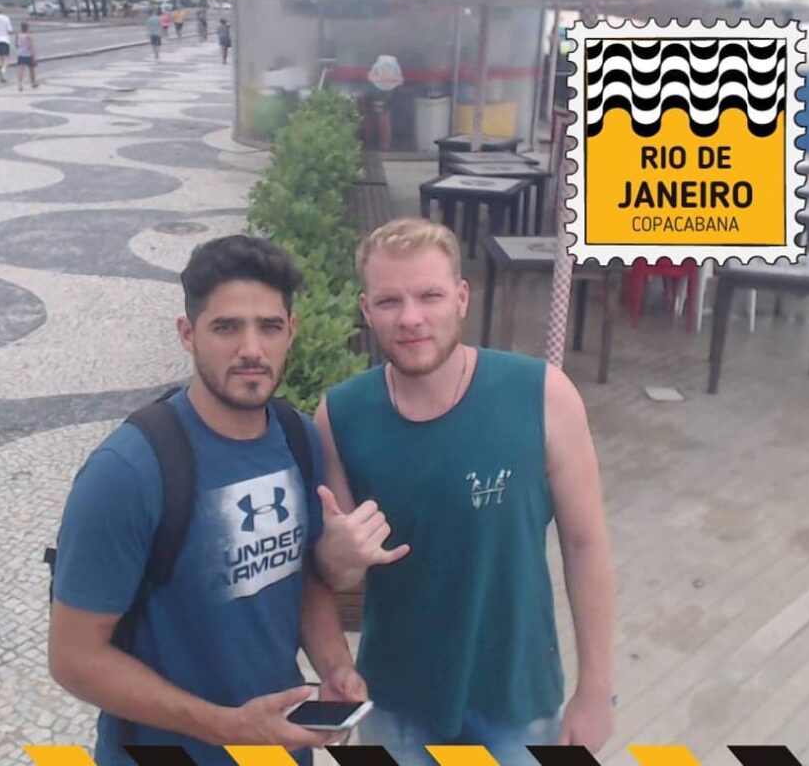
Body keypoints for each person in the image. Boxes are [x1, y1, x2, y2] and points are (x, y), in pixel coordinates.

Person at [49, 235, 368, 766]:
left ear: (291, 331)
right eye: (226, 327)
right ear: (187, 334)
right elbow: (74, 658)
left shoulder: (298, 439)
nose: (251, 349)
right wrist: (225, 727)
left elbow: (304, 578)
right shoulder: (127, 472)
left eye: (269, 327)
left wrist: (335, 666)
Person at [313, 218, 615, 766]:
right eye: (389, 301)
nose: (411, 318)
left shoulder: (543, 395)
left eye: (429, 296)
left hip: (518, 699)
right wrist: (334, 556)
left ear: (461, 298)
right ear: (366, 310)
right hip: (396, 702)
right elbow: (341, 574)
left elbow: (585, 544)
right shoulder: (340, 415)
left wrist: (595, 690)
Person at [15, 21, 38, 91]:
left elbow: (16, 45)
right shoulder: (29, 36)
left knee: (21, 69)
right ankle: (33, 83)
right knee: (31, 69)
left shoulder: (18, 35)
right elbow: (31, 46)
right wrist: (34, 56)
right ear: (27, 28)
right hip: (28, 54)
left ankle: (20, 84)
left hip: (20, 54)